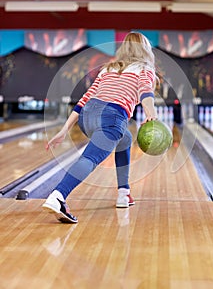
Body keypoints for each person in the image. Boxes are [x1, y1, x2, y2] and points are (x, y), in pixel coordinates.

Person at [42, 32, 158, 223]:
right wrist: (151, 113)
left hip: (87, 117)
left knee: (125, 139)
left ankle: (123, 193)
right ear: (146, 50)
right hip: (111, 116)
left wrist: (64, 130)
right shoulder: (145, 68)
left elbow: (85, 99)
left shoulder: (108, 69)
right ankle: (58, 196)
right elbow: (145, 91)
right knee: (90, 158)